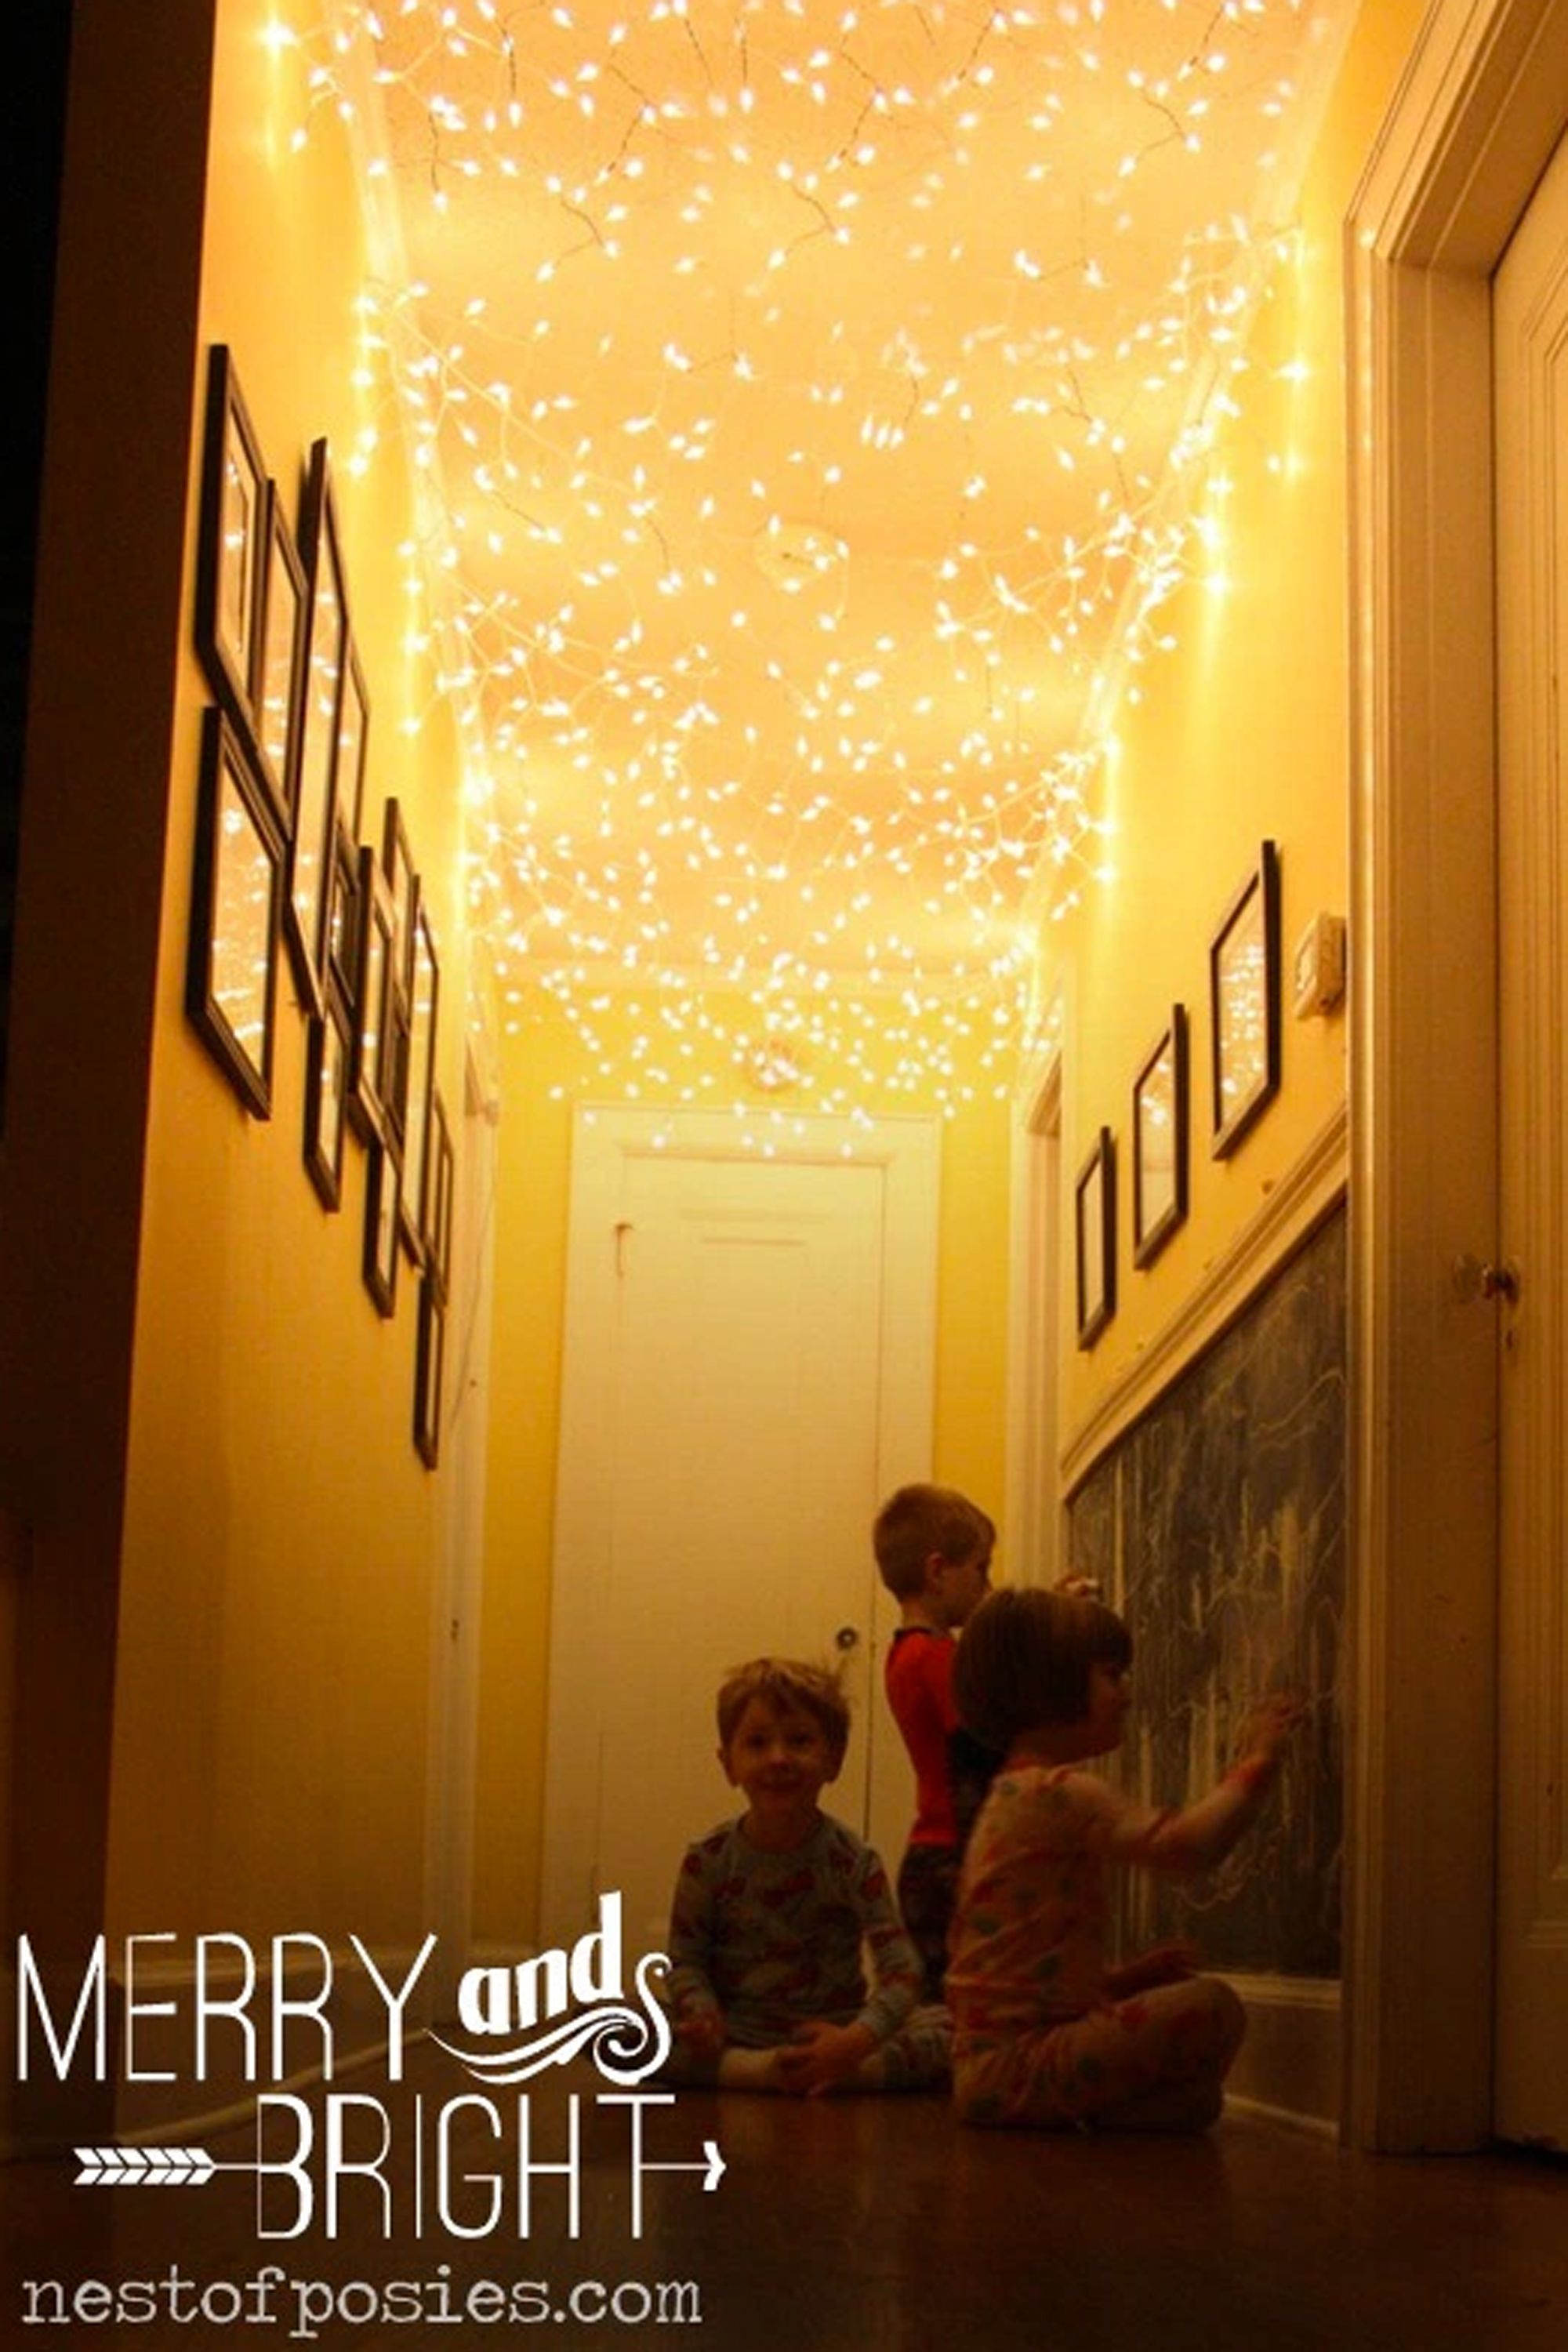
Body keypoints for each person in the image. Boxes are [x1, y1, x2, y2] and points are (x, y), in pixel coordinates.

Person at [946, 1584, 1301, 2132]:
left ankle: (1080, 2118)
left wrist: (1118, 1980)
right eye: (1111, 1674)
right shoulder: (1061, 1791)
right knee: (1215, 2007)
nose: (1127, 1694)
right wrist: (1258, 1760)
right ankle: (1073, 2116)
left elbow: (1015, 1968)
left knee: (1200, 2104)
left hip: (986, 2071)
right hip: (1024, 2066)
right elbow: (1185, 1848)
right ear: (1052, 1686)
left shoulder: (1006, 1797)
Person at [659, 1657, 949, 2093]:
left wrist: (855, 2042)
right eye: (757, 1743)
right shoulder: (709, 1860)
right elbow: (685, 1959)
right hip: (735, 2036)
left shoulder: (853, 1861)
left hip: (834, 2035)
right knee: (600, 2020)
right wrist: (700, 2012)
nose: (778, 1758)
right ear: (728, 1764)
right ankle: (755, 2071)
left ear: (834, 1760)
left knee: (953, 2029)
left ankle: (842, 2071)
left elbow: (902, 1970)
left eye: (799, 1741)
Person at [873, 1483, 998, 2002]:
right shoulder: (935, 1656)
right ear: (938, 1570)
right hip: (955, 1853)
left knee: (934, 1999)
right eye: (981, 1569)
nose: (987, 1586)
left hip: (930, 1851)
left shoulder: (905, 1654)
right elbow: (986, 1732)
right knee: (959, 2003)